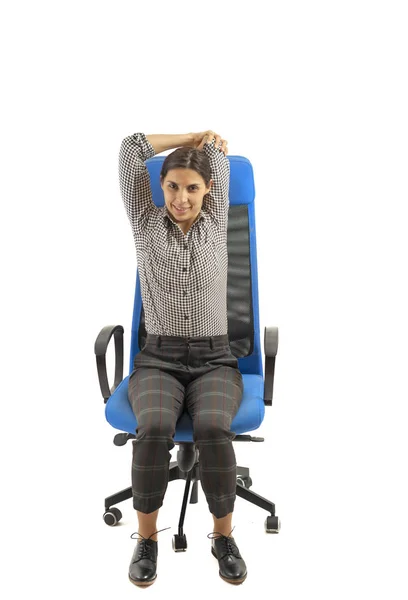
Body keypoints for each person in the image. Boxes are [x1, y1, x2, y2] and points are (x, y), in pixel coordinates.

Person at [118, 130, 246, 586]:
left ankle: (223, 537)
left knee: (212, 427)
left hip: (215, 360)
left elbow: (217, 155)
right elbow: (131, 147)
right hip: (159, 360)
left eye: (193, 187)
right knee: (153, 427)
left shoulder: (216, 221)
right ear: (160, 188)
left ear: (208, 191)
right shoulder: (144, 221)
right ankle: (147, 539)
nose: (181, 197)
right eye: (172, 186)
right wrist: (192, 133)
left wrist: (207, 144)